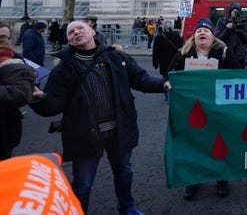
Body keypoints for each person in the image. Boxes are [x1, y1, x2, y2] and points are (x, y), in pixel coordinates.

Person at [29, 20, 171, 215]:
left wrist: (162, 84)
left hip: (119, 129)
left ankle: (127, 208)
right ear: (68, 40)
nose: (76, 32)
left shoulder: (117, 57)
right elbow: (53, 105)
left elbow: (140, 79)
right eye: (71, 32)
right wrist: (38, 99)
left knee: (124, 173)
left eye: (80, 28)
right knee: (83, 184)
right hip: (83, 133)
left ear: (92, 31)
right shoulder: (62, 69)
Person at [169, 17, 240, 201]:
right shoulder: (183, 53)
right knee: (195, 145)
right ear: (194, 36)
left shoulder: (223, 51)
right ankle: (193, 180)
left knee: (219, 144)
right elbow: (169, 73)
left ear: (212, 36)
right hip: (192, 110)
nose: (202, 32)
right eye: (199, 30)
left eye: (206, 30)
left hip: (218, 109)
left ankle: (221, 178)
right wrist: (170, 82)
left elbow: (237, 75)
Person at [0, 24, 39, 161]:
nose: (2, 41)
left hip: (5, 132)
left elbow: (20, 94)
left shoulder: (16, 63)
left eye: (4, 37)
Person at [152, 21, 184, 100]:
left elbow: (155, 52)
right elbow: (183, 49)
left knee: (166, 79)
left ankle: (167, 94)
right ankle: (173, 94)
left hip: (163, 62)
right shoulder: (177, 36)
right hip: (175, 62)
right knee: (175, 78)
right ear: (172, 27)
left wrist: (155, 63)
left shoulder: (158, 37)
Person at [215, 2, 247, 68]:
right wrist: (227, 29)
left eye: (237, 11)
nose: (235, 13)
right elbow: (217, 39)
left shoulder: (243, 22)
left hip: (240, 56)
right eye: (234, 11)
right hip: (225, 55)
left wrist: (239, 30)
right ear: (230, 11)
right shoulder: (222, 21)